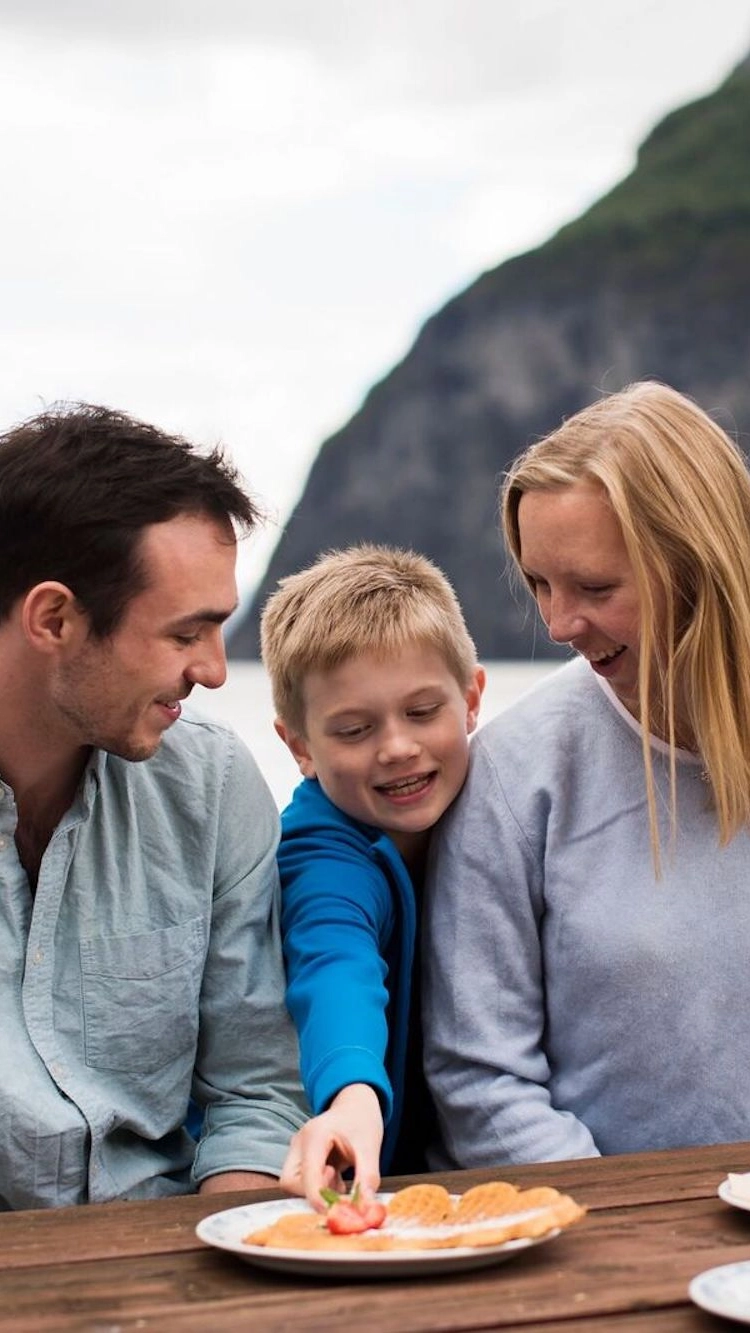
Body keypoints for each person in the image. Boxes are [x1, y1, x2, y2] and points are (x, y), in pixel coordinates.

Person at [423, 380, 750, 1168]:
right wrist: (625, 1228)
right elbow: (482, 1078)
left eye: (594, 588)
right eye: (539, 583)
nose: (558, 624)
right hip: (602, 1242)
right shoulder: (516, 772)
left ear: (697, 564)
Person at [0, 401, 309, 1210]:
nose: (214, 670)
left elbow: (257, 1091)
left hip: (177, 1256)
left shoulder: (209, 785)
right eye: (185, 634)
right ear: (54, 618)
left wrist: (226, 1259)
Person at [259, 544, 485, 1205]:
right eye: (354, 729)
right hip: (343, 1161)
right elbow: (334, 962)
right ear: (300, 746)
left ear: (471, 698)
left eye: (421, 712)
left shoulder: (505, 805)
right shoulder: (320, 848)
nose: (395, 746)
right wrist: (352, 1096)